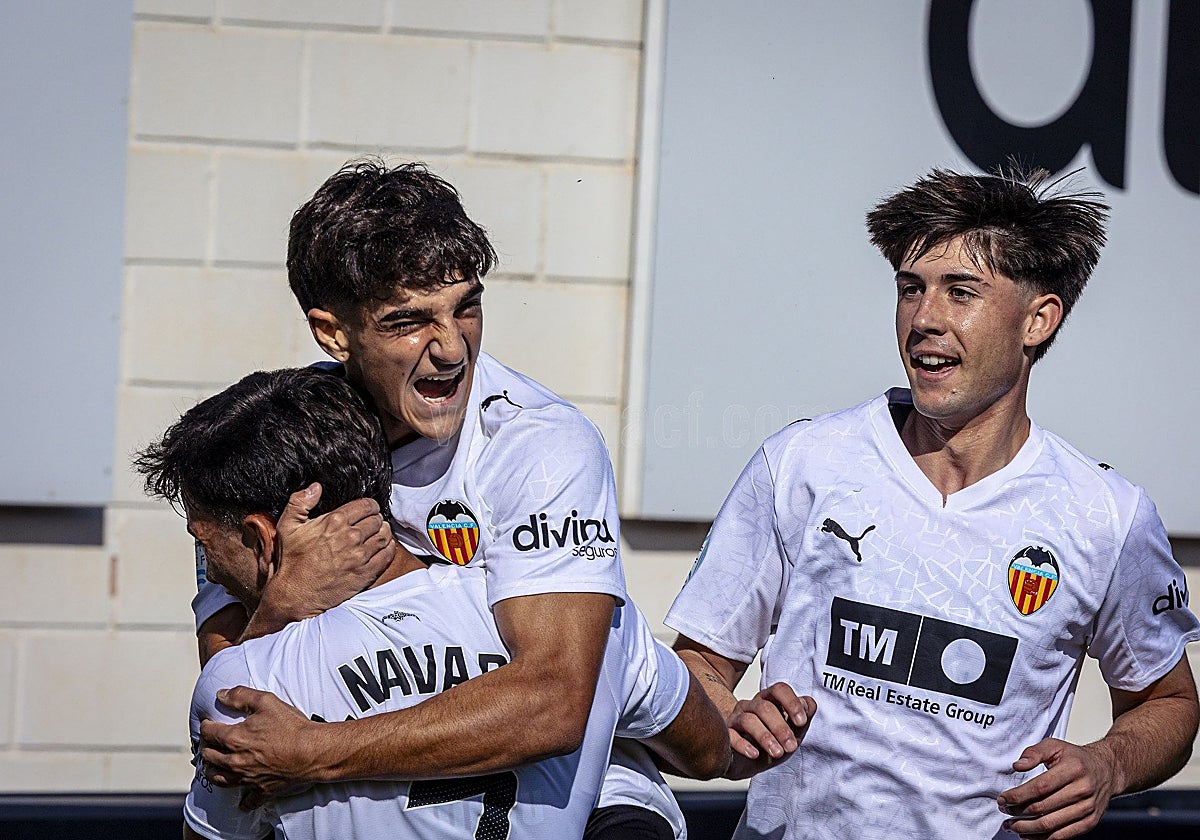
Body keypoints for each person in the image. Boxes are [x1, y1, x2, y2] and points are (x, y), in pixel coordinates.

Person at [186, 159, 790, 839]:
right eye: (409, 321)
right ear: (333, 331)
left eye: (466, 307)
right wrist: (281, 607)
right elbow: (233, 695)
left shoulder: (537, 444)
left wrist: (314, 754)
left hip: (576, 798)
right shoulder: (276, 449)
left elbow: (557, 702)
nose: (450, 349)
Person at [665, 166, 1200, 839]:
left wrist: (1109, 765)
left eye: (961, 292)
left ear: (1038, 319)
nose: (924, 318)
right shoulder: (804, 463)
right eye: (910, 289)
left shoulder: (1106, 516)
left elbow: (1169, 701)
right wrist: (726, 718)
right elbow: (700, 665)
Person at [136, 366, 734, 839]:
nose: (210, 569)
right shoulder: (594, 624)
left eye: (205, 545)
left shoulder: (250, 686)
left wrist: (311, 744)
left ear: (265, 537)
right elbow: (709, 751)